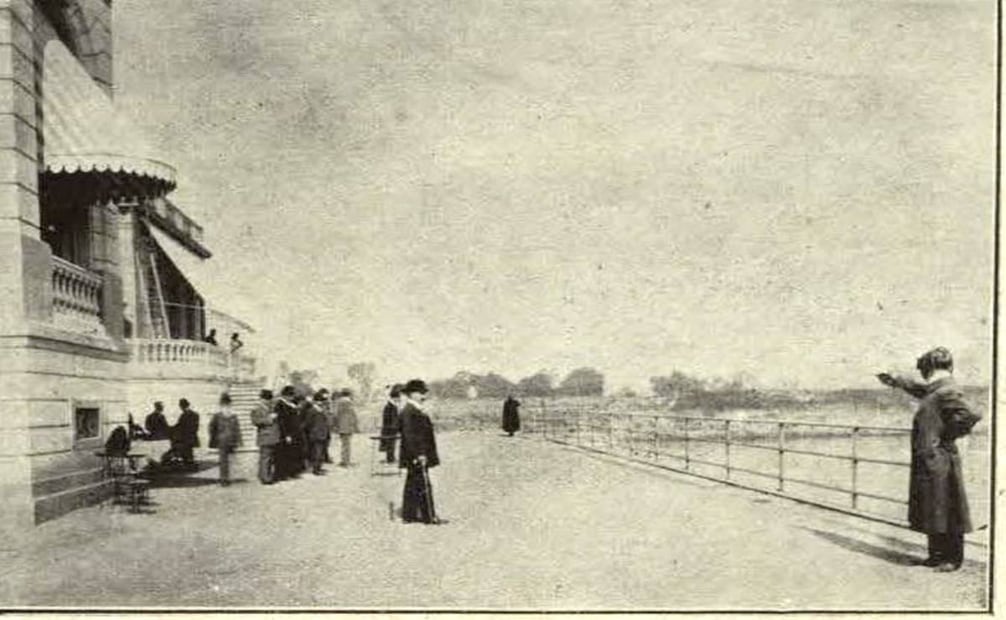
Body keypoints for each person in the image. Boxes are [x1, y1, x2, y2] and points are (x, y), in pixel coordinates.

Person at [877, 346, 981, 572]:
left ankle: (952, 559)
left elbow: (971, 413)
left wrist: (947, 436)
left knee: (948, 509)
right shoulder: (939, 389)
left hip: (939, 457)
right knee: (935, 507)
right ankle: (936, 556)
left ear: (929, 368)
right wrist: (897, 381)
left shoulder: (945, 390)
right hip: (932, 458)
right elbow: (922, 390)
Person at [399, 379, 440, 524]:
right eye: (421, 393)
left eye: (424, 392)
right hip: (416, 454)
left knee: (413, 484)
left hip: (417, 453)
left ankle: (409, 515)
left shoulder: (415, 409)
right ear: (412, 394)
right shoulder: (409, 411)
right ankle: (429, 516)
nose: (424, 396)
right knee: (423, 484)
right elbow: (410, 436)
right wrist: (419, 454)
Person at [208, 393, 242, 486]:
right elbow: (211, 427)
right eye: (225, 405)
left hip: (226, 440)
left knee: (226, 460)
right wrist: (239, 441)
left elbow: (237, 429)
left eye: (227, 405)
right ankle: (225, 478)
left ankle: (226, 478)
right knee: (226, 460)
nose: (226, 407)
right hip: (226, 440)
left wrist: (239, 441)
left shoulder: (227, 416)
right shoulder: (223, 416)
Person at [249, 389, 280, 484]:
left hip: (272, 436)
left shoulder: (270, 408)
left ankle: (265, 475)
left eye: (269, 399)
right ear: (262, 399)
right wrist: (269, 419)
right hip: (265, 436)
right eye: (267, 399)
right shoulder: (257, 409)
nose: (269, 401)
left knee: (269, 458)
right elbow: (255, 421)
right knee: (265, 458)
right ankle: (265, 478)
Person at [275, 386, 304, 479]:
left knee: (293, 452)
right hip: (286, 433)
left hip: (294, 433)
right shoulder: (280, 405)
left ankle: (292, 471)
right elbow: (282, 421)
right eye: (291, 395)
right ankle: (283, 474)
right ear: (286, 396)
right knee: (284, 454)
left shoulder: (290, 404)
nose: (292, 397)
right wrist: (286, 434)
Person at [304, 391, 331, 475]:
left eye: (321, 401)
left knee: (321, 451)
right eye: (319, 401)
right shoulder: (312, 410)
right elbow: (308, 423)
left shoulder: (321, 410)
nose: (321, 403)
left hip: (323, 433)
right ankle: (316, 469)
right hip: (316, 434)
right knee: (317, 452)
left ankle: (319, 467)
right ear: (315, 401)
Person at [173, 398, 201, 470]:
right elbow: (196, 426)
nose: (181, 408)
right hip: (190, 436)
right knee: (188, 451)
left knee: (187, 450)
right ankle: (189, 464)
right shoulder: (194, 414)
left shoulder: (185, 415)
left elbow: (180, 425)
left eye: (181, 406)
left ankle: (189, 464)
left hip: (187, 437)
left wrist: (171, 429)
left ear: (182, 406)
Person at [379, 384, 404, 464]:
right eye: (399, 398)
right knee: (390, 443)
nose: (399, 399)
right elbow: (393, 419)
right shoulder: (391, 406)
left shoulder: (390, 406)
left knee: (391, 443)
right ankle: (390, 459)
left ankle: (391, 458)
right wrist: (398, 427)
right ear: (395, 398)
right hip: (390, 429)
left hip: (390, 428)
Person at [334, 388, 359, 467]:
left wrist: (336, 425)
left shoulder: (339, 402)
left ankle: (344, 460)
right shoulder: (349, 402)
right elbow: (353, 415)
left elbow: (336, 414)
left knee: (344, 444)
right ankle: (346, 461)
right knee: (347, 444)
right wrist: (355, 425)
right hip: (348, 426)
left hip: (341, 425)